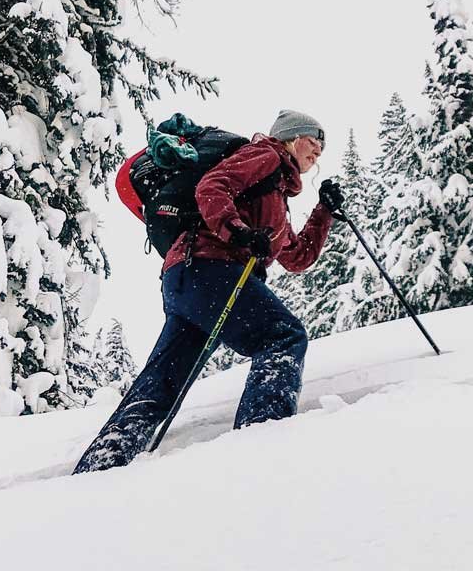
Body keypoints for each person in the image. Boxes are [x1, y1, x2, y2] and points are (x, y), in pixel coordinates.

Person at [73, 110, 345, 474]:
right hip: (209, 269)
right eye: (314, 141)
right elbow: (211, 187)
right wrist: (239, 232)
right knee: (282, 336)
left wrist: (324, 212)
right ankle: (263, 443)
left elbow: (296, 257)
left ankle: (101, 467)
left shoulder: (276, 198)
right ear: (291, 138)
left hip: (189, 279)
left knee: (163, 382)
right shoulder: (265, 156)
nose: (318, 151)